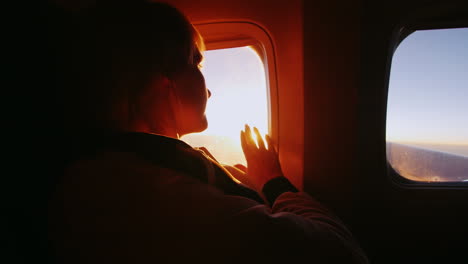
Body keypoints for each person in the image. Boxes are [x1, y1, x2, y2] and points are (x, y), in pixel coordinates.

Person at [50, 1, 369, 263]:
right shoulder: (146, 197)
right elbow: (343, 254)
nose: (210, 89)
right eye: (196, 62)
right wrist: (275, 183)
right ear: (162, 84)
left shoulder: (125, 171)